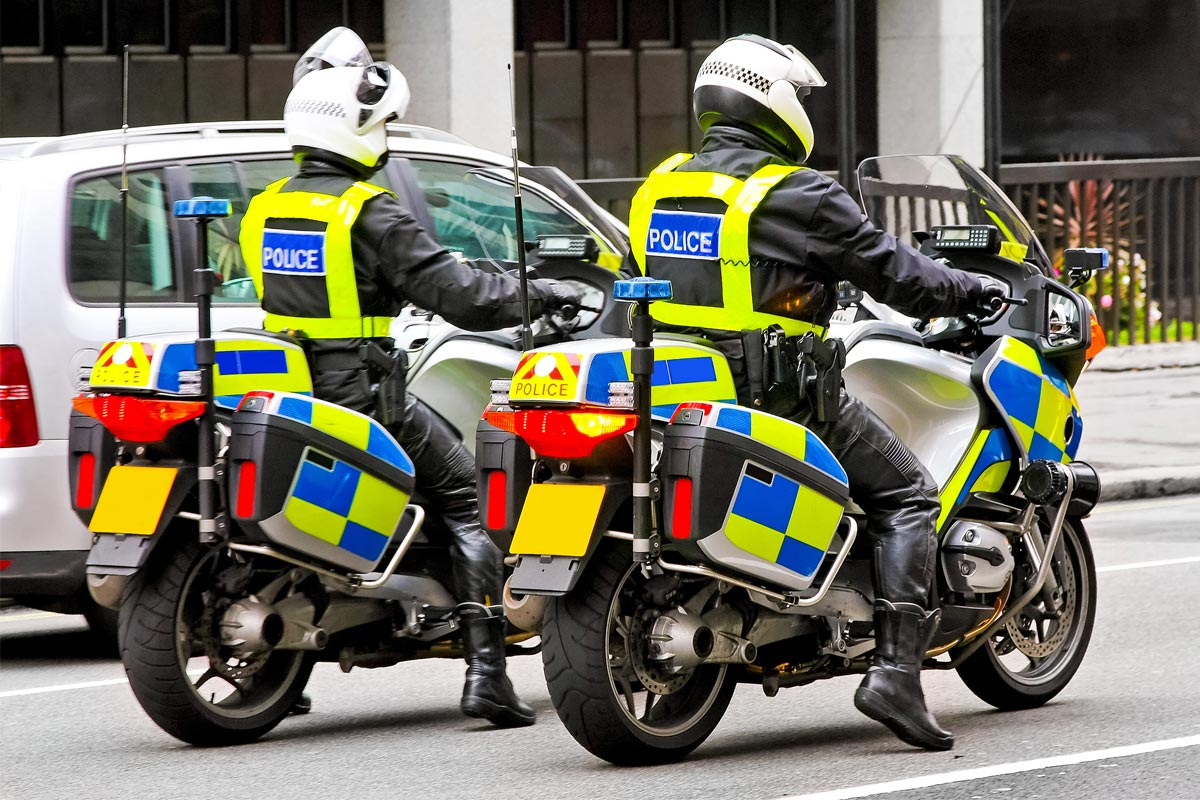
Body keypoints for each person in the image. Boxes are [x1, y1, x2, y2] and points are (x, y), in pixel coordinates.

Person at [626, 34, 1006, 752]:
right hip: (779, 397)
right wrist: (971, 287)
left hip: (680, 391)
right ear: (773, 102)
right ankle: (896, 673)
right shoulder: (795, 192)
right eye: (801, 98)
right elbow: (893, 271)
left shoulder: (661, 185)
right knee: (909, 495)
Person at [239, 28, 581, 728]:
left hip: (288, 387)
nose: (387, 136)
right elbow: (462, 295)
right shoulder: (369, 210)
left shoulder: (267, 203)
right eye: (383, 124)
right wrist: (535, 292)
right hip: (361, 392)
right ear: (358, 129)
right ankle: (487, 671)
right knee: (465, 497)